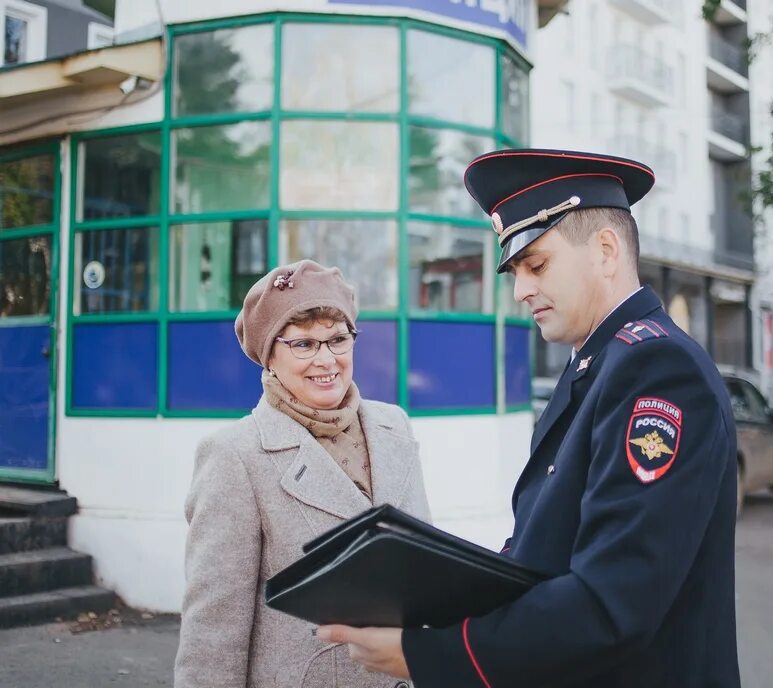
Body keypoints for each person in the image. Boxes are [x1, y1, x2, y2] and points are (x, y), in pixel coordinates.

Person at [316, 149, 740, 687]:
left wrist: (429, 654)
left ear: (606, 250)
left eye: (537, 265)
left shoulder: (656, 370)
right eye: (515, 271)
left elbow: (612, 602)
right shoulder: (600, 364)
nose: (521, 290)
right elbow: (545, 552)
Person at [174, 260, 431, 688]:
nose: (326, 359)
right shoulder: (234, 455)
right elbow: (213, 629)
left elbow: (423, 567)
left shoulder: (394, 426)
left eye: (337, 338)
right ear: (269, 355)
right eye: (304, 345)